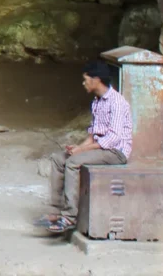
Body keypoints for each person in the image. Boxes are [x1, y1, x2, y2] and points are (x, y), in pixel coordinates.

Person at [43, 61, 133, 234]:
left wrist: (82, 151)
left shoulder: (117, 103)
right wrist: (78, 147)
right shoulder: (97, 101)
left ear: (96, 80)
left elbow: (113, 139)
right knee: (58, 158)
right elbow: (93, 134)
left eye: (85, 79)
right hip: (100, 148)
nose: (83, 83)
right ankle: (55, 211)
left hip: (115, 152)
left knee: (73, 162)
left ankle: (69, 217)